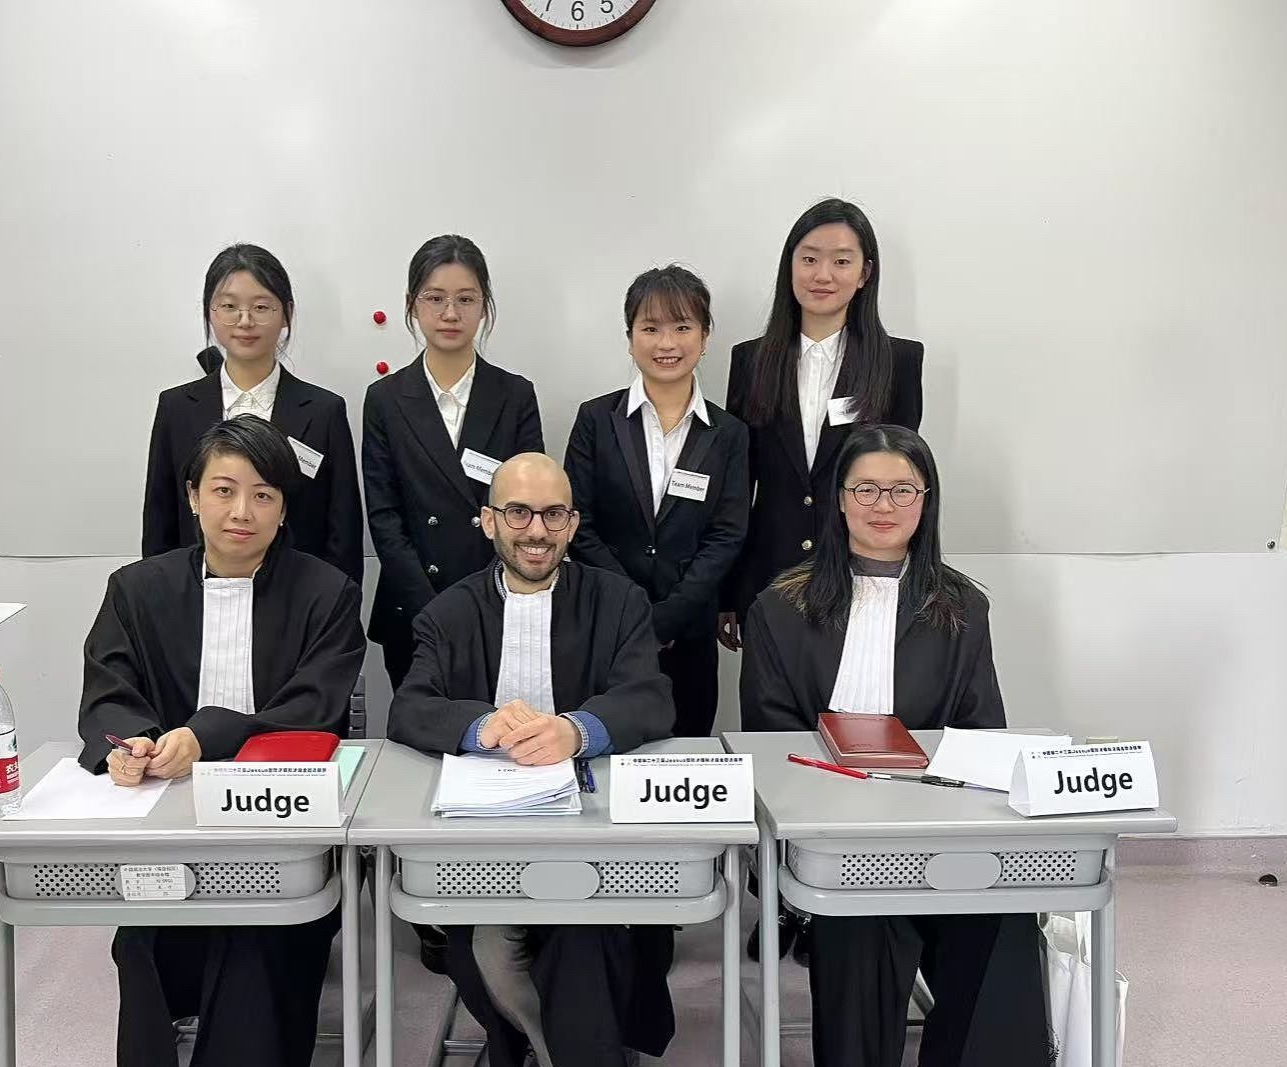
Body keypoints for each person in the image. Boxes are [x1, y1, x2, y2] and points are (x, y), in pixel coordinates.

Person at [739, 425, 1053, 1067]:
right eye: (866, 489)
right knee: (856, 911)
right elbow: (768, 736)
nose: (884, 505)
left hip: (932, 820)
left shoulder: (962, 606)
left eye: (902, 490)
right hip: (828, 828)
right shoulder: (780, 605)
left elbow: (983, 731)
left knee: (1007, 912)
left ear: (926, 501)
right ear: (839, 501)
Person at [82, 417, 366, 1067]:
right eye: (224, 491)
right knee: (141, 932)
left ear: (285, 507)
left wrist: (205, 736)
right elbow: (110, 690)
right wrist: (129, 745)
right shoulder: (137, 589)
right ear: (192, 496)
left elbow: (315, 709)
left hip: (281, 815)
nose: (242, 512)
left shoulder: (326, 593)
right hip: (167, 814)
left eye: (264, 495)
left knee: (259, 922)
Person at [388, 453, 675, 1067]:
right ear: (488, 521)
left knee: (582, 931)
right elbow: (409, 708)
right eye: (518, 512)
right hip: (483, 832)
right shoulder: (447, 613)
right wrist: (478, 725)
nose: (536, 530)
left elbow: (650, 697)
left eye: (553, 514)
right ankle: (548, 1048)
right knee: (484, 950)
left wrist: (578, 730)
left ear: (573, 524)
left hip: (592, 828)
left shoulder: (619, 601)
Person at [723, 197, 925, 964]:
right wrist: (730, 591)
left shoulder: (898, 361)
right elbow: (738, 483)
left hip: (858, 574)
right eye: (809, 258)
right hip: (770, 579)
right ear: (790, 267)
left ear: (866, 273)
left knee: (848, 722)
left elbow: (899, 477)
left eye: (842, 260)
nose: (824, 273)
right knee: (773, 737)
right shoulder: (752, 359)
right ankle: (777, 896)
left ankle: (842, 888)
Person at [563, 265, 748, 736]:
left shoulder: (729, 433)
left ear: (704, 337)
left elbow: (726, 535)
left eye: (682, 327)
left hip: (690, 633)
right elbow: (578, 523)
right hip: (605, 626)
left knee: (686, 750)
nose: (667, 343)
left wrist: (668, 618)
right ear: (630, 338)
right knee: (601, 746)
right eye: (650, 328)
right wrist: (633, 610)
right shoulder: (595, 420)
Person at [362, 234, 544, 689]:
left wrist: (487, 598)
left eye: (465, 299)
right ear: (412, 304)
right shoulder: (385, 399)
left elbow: (529, 509)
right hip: (412, 604)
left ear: (484, 306)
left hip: (499, 600)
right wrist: (432, 608)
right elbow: (384, 517)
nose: (450, 313)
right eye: (435, 298)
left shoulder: (515, 395)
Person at [142, 243, 363, 583]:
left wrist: (335, 605)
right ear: (210, 312)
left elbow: (343, 533)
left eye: (261, 307)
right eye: (229, 307)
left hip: (298, 597)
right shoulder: (176, 408)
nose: (245, 321)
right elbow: (160, 523)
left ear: (287, 313)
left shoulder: (324, 411)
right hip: (196, 594)